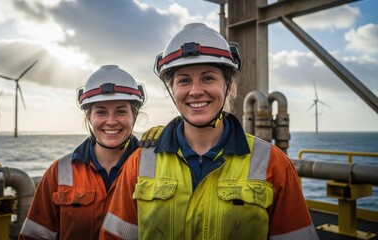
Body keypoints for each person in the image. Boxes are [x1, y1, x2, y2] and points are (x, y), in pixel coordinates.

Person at [100, 23, 319, 239]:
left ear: (229, 85)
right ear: (172, 90)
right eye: (184, 80)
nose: (195, 91)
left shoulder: (272, 163)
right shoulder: (140, 162)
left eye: (208, 78)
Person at [19, 65, 146, 240]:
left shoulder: (151, 167)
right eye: (101, 112)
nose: (111, 121)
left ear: (134, 116)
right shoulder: (60, 171)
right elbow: (34, 236)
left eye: (121, 111)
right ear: (89, 117)